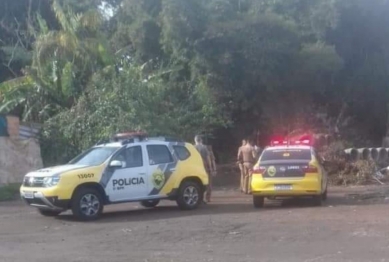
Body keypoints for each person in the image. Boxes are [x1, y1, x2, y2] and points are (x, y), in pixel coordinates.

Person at [194, 135, 216, 203]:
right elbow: (208, 158)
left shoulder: (192, 147)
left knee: (197, 183)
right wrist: (211, 168)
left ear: (195, 140)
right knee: (208, 183)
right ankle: (207, 198)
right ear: (201, 140)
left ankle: (199, 198)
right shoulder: (204, 148)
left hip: (195, 167)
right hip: (205, 167)